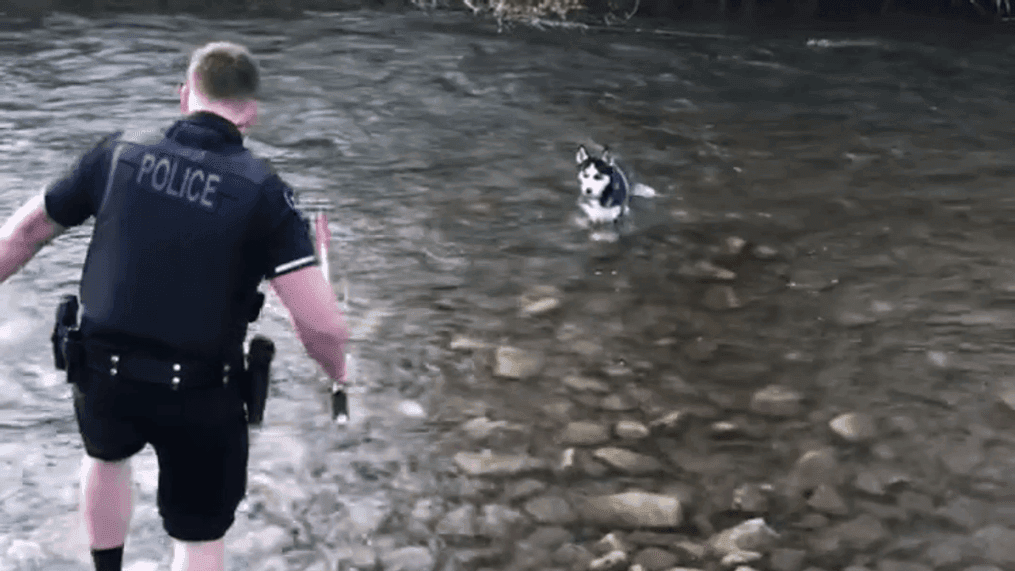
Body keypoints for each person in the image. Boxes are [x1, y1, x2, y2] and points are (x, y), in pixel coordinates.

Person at [0, 41, 349, 571]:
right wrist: (338, 370)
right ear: (250, 113)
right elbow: (319, 324)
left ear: (185, 95)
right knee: (198, 535)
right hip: (201, 392)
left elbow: (24, 233)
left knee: (106, 457)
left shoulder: (118, 153)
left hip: (102, 371)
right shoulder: (264, 193)